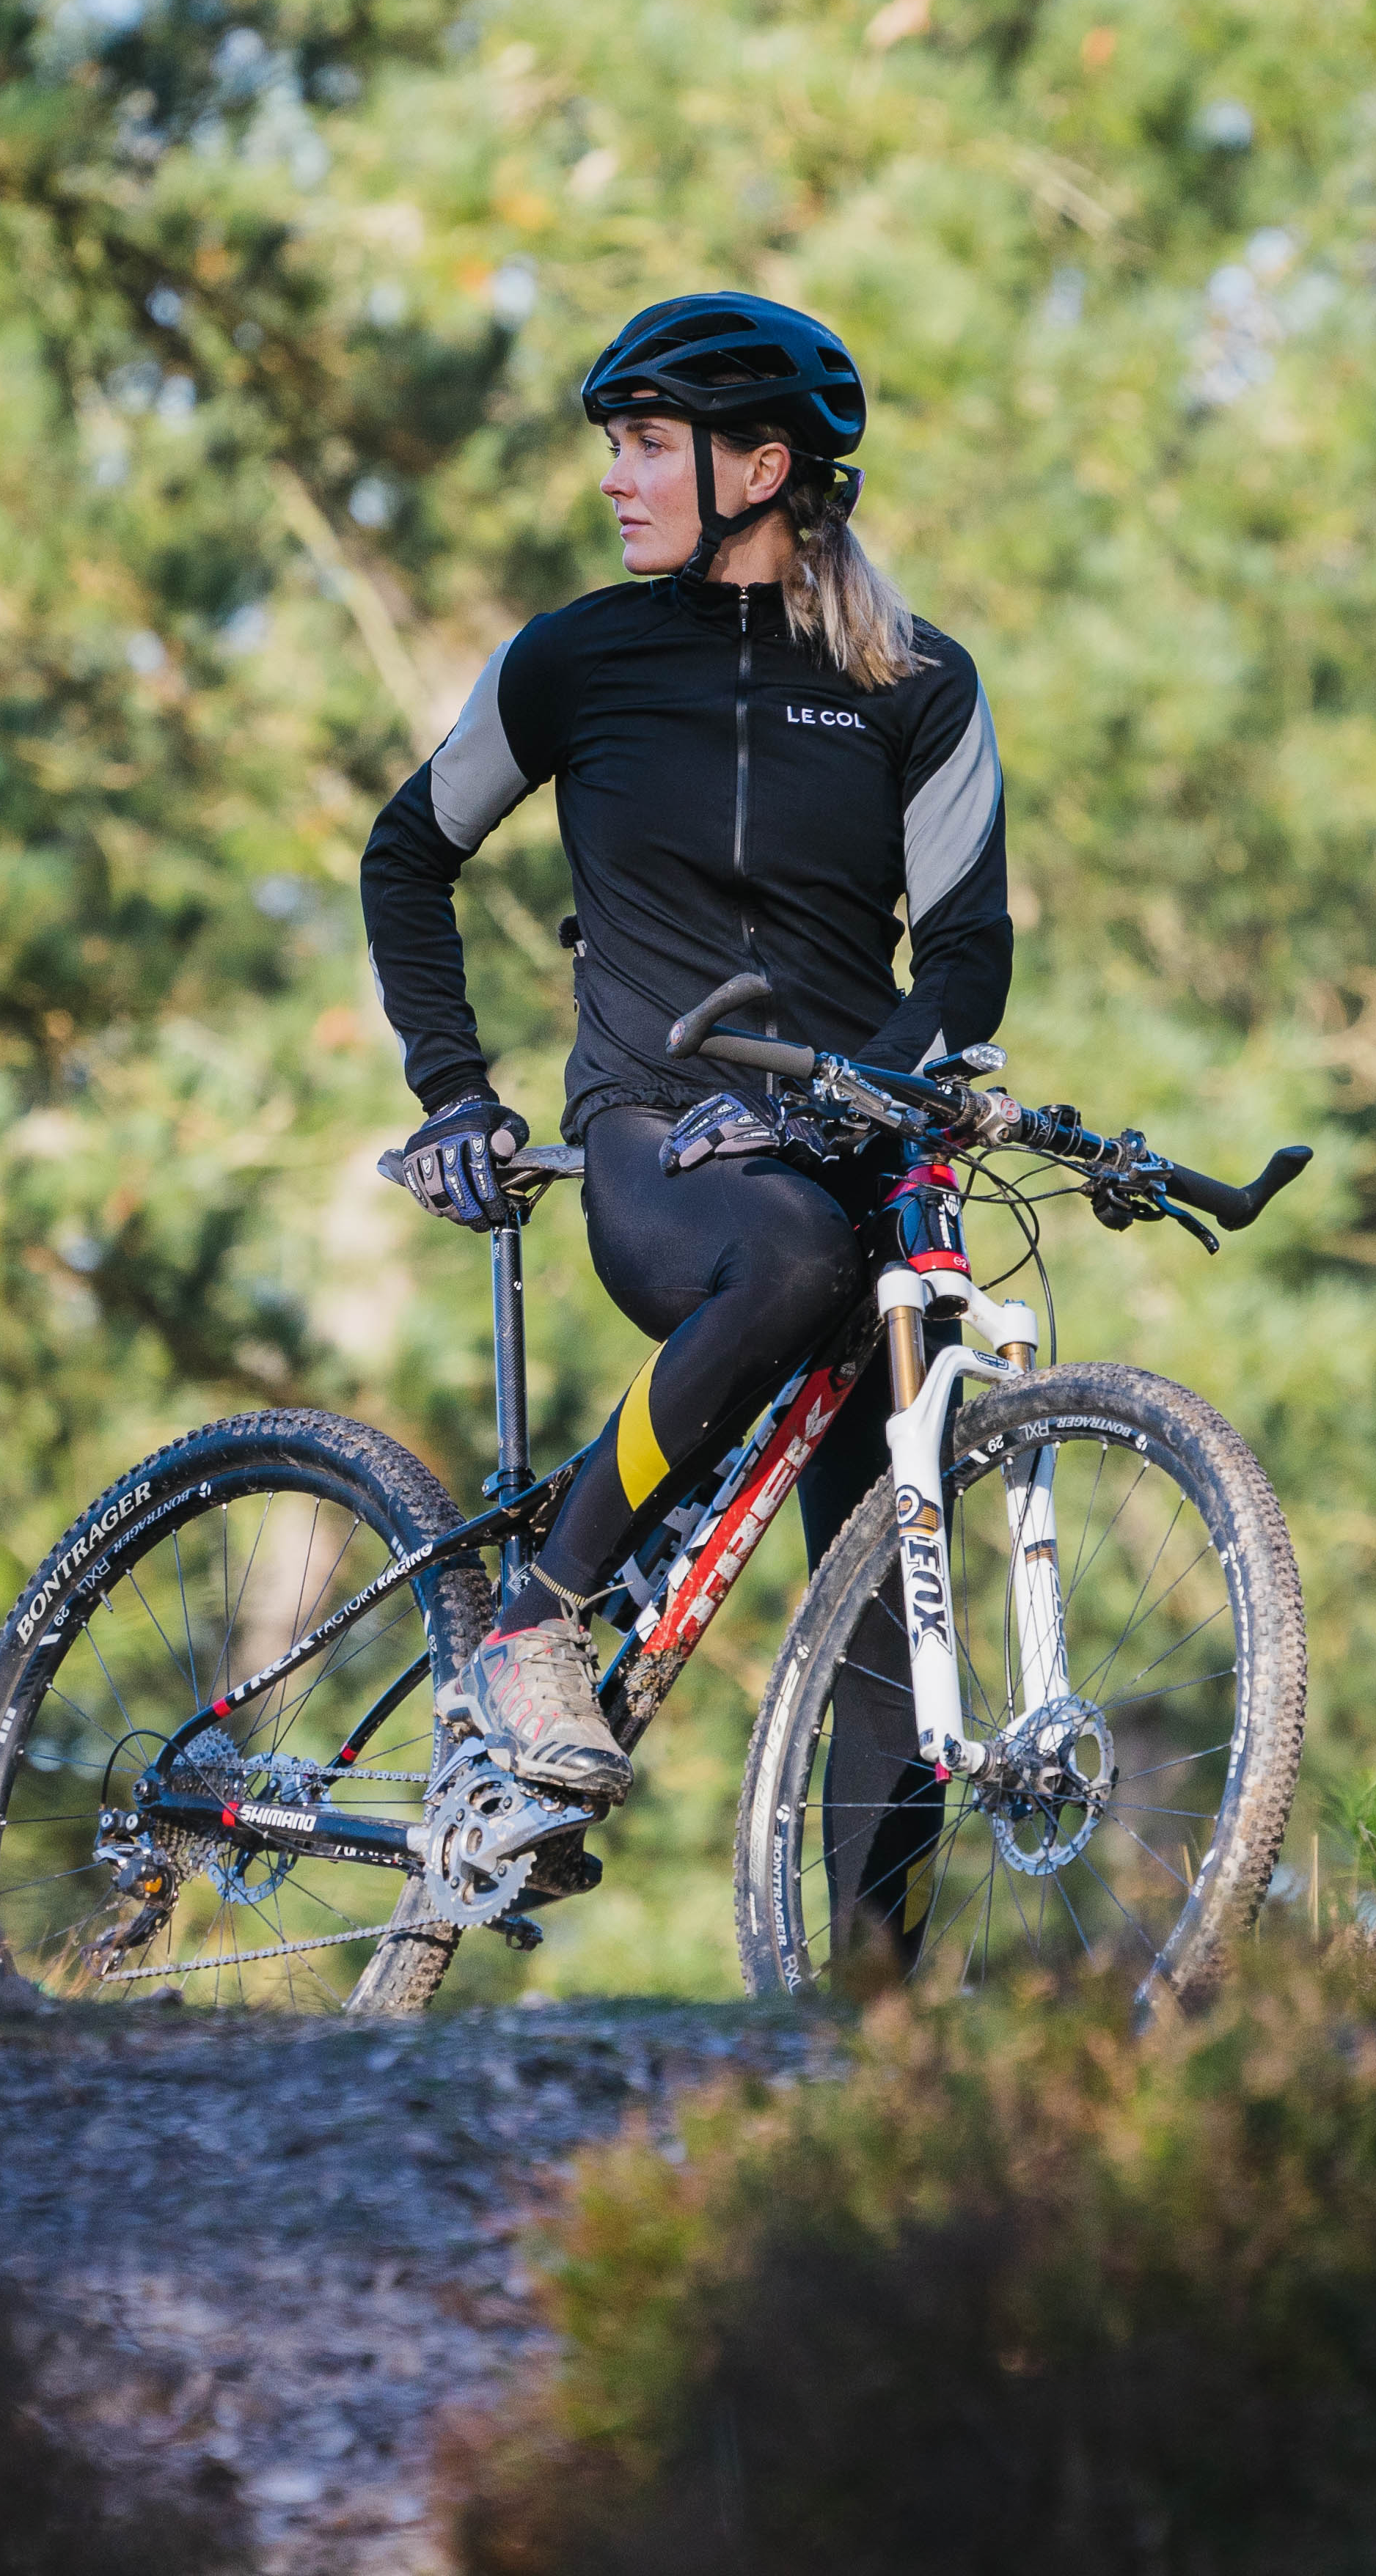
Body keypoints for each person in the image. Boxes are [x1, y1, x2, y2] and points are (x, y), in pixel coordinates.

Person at [358, 292, 1010, 1802]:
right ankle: (537, 1623)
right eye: (619, 446)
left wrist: (871, 1098)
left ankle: (885, 2028)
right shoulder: (575, 659)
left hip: (851, 1153)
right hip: (661, 1136)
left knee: (898, 1619)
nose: (616, 478)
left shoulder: (916, 682)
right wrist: (453, 1086)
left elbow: (966, 954)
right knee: (786, 1259)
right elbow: (408, 853)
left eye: (649, 445)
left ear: (761, 467)